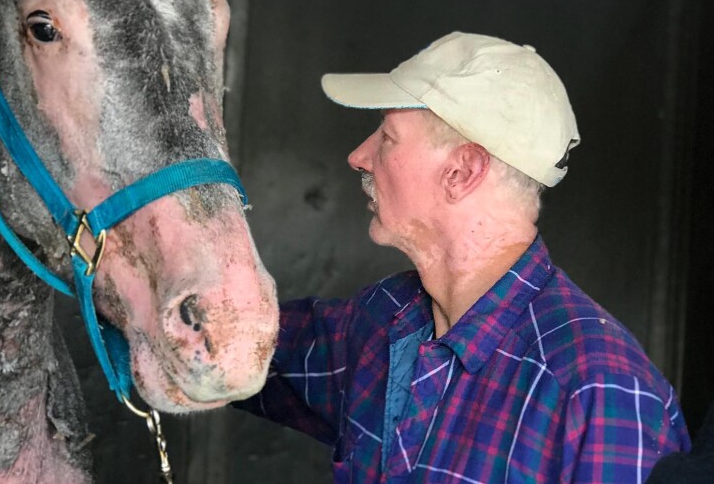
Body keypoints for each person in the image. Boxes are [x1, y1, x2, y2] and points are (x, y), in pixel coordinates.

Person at [234, 32, 690, 483]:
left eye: (387, 136)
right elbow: (227, 343)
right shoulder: (384, 318)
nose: (358, 156)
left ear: (461, 172)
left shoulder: (603, 393)